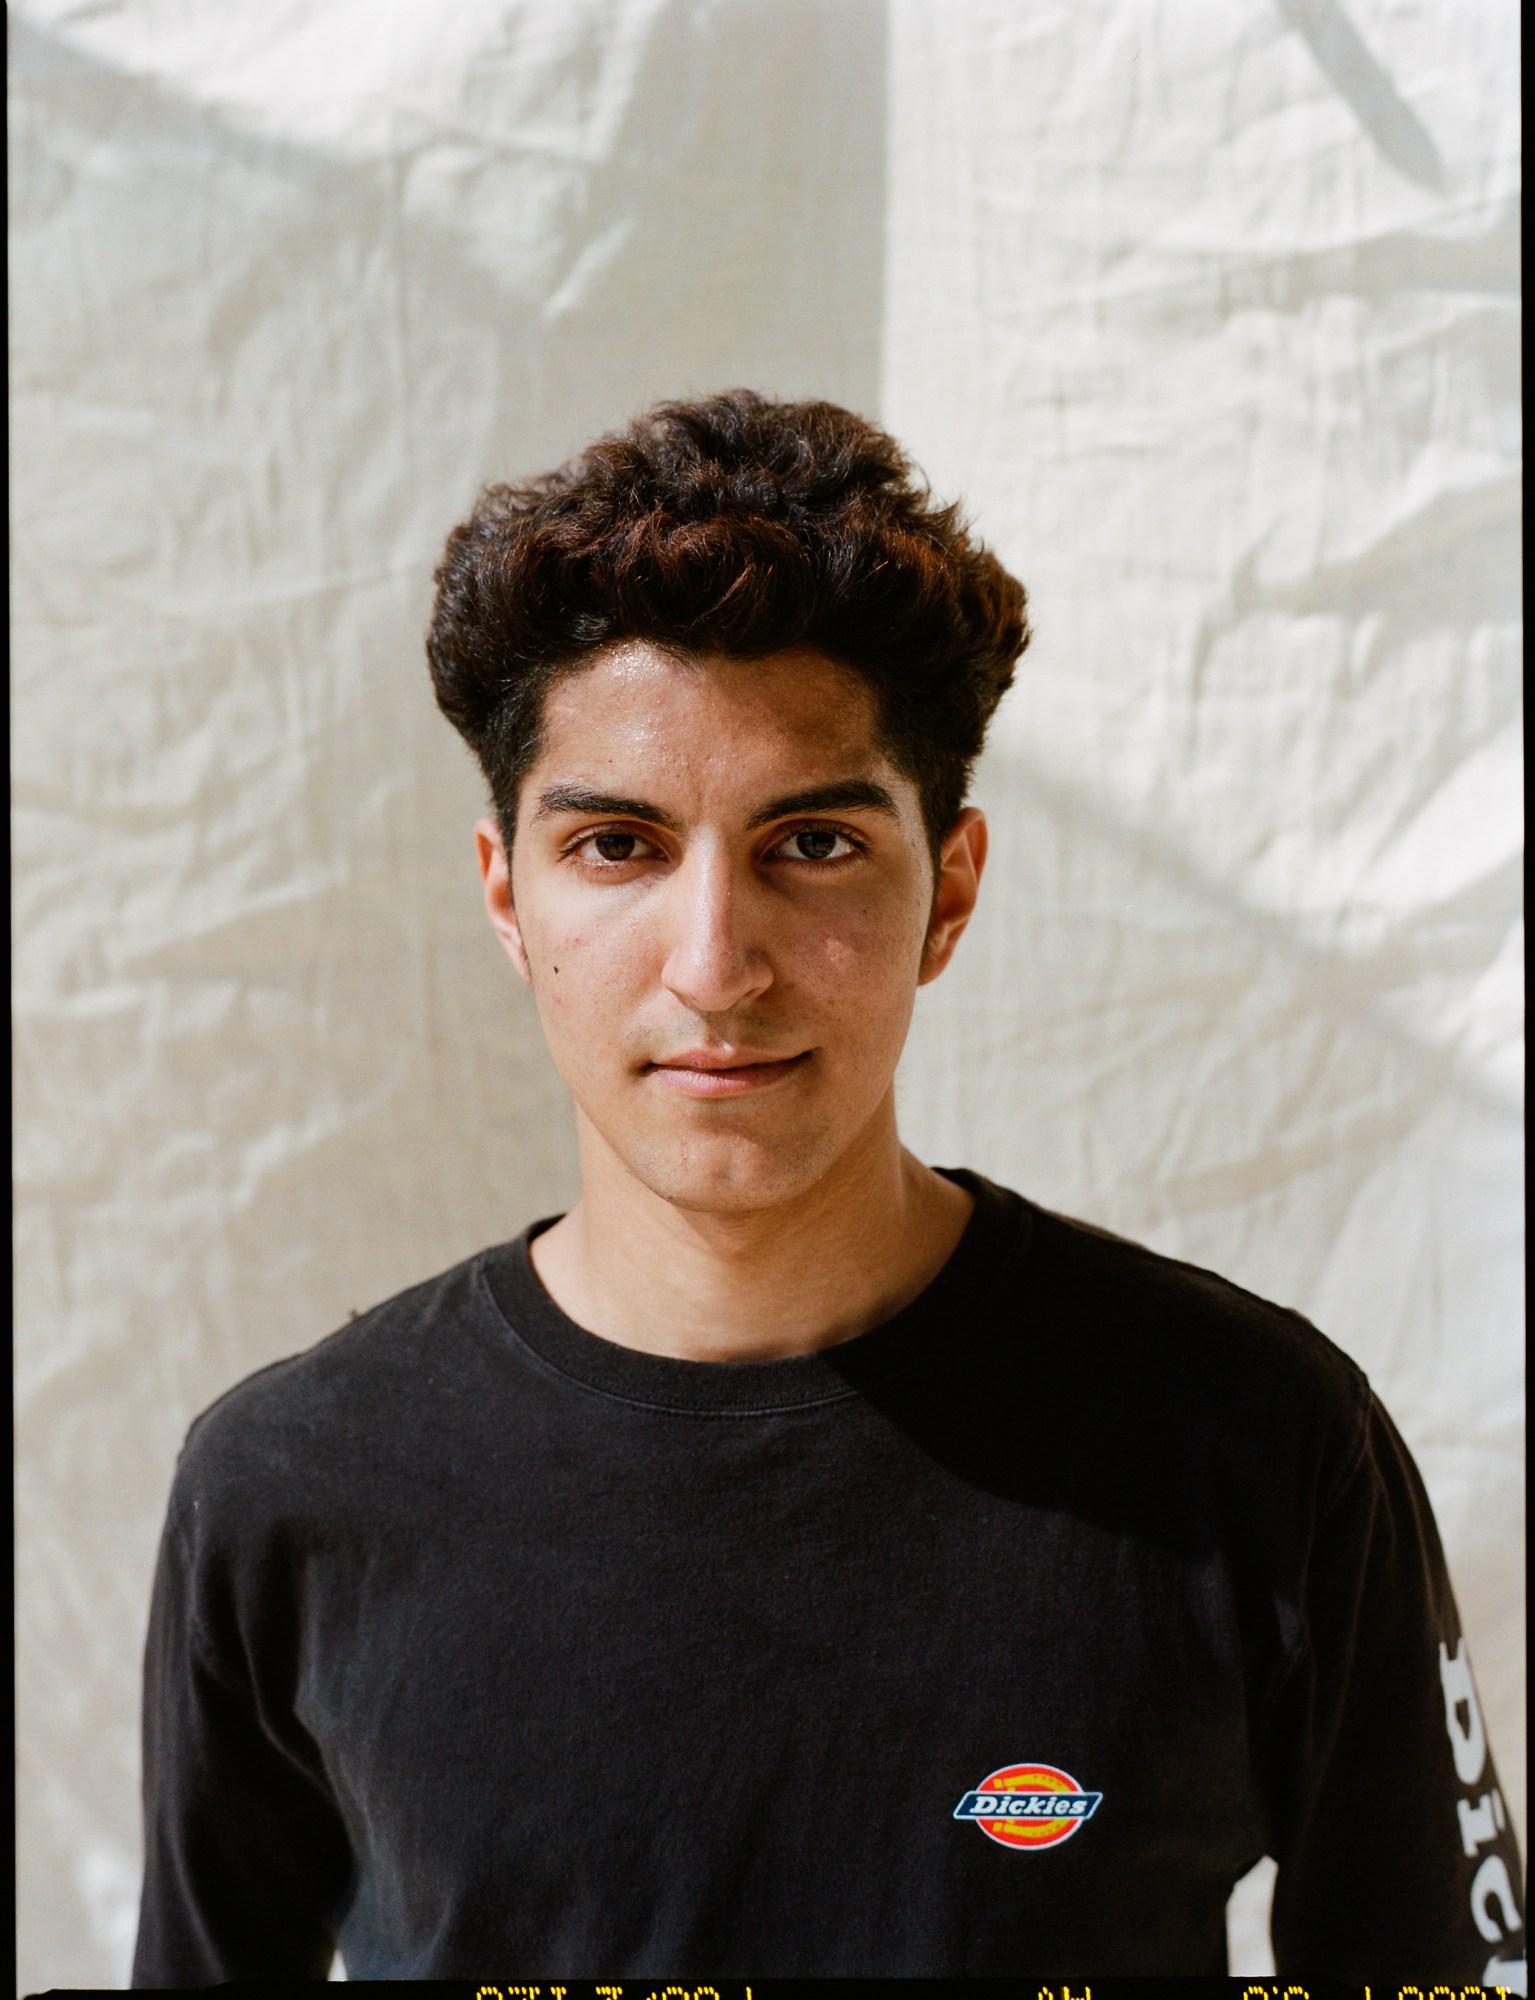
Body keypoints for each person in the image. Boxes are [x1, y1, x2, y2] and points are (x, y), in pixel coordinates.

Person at [132, 391, 1525, 1986]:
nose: (717, 964)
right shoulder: (292, 1489)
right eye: (618, 847)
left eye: (810, 844)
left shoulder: (1257, 1446)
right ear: (507, 896)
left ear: (952, 892)